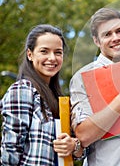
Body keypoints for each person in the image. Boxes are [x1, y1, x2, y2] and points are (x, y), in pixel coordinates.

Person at [69, 7, 120, 165]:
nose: (116, 38)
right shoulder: (83, 77)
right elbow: (83, 136)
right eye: (107, 34)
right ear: (97, 41)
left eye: (119, 31)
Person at [1, 24, 83, 165]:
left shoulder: (60, 100)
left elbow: (81, 151)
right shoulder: (23, 90)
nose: (52, 58)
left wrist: (74, 145)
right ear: (30, 54)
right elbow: (10, 152)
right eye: (44, 51)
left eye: (58, 52)